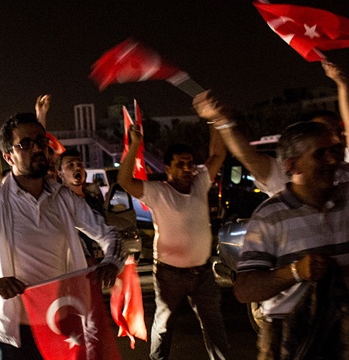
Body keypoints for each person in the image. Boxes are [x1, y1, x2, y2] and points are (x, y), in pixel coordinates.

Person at [0, 113, 123, 359]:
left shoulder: (64, 199)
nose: (37, 148)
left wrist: (112, 262)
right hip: (11, 335)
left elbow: (109, 234)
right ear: (8, 156)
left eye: (41, 141)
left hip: (59, 323)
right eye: (25, 144)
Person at [234, 121, 349, 358]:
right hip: (291, 340)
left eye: (335, 151)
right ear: (292, 165)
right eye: (320, 154)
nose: (332, 160)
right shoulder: (270, 218)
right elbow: (245, 289)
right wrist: (295, 271)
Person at [118, 122, 230, 359]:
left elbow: (219, 154)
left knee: (214, 326)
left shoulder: (200, 182)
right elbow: (125, 181)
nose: (187, 168)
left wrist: (212, 121)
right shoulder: (159, 191)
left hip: (202, 273)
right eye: (180, 164)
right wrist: (135, 144)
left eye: (190, 163)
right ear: (168, 168)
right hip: (170, 275)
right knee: (165, 324)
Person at [193, 61, 349, 197]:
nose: (334, 139)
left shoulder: (344, 174)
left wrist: (342, 85)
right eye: (322, 132)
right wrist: (222, 121)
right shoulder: (280, 187)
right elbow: (248, 157)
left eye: (338, 132)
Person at [55, 148, 105, 261]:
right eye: (70, 165)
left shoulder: (94, 202)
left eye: (79, 164)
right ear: (60, 174)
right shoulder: (57, 203)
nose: (77, 167)